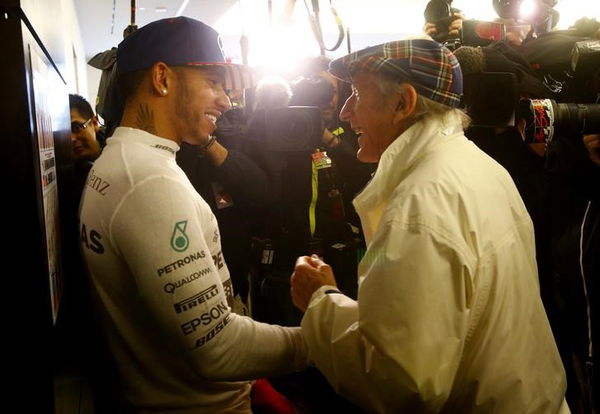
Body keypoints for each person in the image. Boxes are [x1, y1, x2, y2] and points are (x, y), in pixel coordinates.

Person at [289, 38, 569, 413]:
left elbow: (402, 382)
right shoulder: (475, 164)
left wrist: (321, 302)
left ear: (402, 103)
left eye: (355, 93)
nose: (344, 112)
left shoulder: (419, 204)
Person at [78, 17, 307, 413]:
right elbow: (216, 348)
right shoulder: (149, 181)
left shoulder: (124, 161)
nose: (226, 100)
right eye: (213, 82)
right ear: (162, 78)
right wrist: (324, 340)